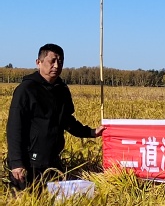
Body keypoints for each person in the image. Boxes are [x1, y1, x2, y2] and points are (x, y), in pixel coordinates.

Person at [6, 43, 105, 190]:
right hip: (29, 163)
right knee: (30, 200)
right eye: (52, 61)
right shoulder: (26, 90)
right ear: (38, 62)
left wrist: (91, 132)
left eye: (60, 61)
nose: (56, 65)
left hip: (53, 162)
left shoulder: (62, 90)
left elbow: (67, 120)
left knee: (57, 200)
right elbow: (15, 127)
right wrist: (16, 163)